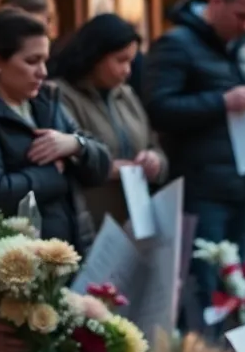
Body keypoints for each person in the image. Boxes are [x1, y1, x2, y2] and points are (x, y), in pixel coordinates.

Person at [143, 0, 245, 325]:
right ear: (216, 2)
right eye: (241, 15)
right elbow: (158, 109)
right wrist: (221, 101)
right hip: (201, 188)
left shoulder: (244, 51)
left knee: (237, 284)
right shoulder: (175, 44)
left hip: (241, 182)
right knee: (203, 288)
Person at [0, 7, 110, 251]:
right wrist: (56, 173)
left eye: (45, 60)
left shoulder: (45, 101)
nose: (43, 72)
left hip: (71, 252)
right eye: (32, 61)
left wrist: (75, 145)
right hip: (20, 267)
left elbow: (101, 165)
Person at [49, 12, 167, 230]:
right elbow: (64, 160)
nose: (127, 71)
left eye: (131, 62)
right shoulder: (61, 95)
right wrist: (111, 169)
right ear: (95, 55)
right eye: (120, 61)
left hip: (134, 220)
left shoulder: (126, 95)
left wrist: (154, 161)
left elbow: (153, 145)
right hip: (89, 221)